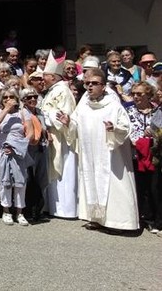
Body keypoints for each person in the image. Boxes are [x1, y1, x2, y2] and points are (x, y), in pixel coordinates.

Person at [57, 68, 139, 232]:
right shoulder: (83, 104)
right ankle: (97, 218)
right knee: (91, 182)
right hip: (90, 155)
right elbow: (75, 123)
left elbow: (125, 128)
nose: (89, 86)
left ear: (103, 86)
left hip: (111, 155)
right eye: (87, 83)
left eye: (94, 83)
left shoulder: (113, 105)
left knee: (115, 186)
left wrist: (113, 129)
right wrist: (68, 122)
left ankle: (119, 222)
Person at [41, 51, 78, 219]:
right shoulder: (53, 90)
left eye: (45, 76)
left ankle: (66, 209)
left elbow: (63, 116)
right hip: (53, 137)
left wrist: (45, 117)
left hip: (62, 139)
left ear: (54, 77)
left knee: (64, 172)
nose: (43, 79)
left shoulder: (62, 91)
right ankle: (54, 207)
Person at [0, 88, 33, 226]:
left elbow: (30, 133)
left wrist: (17, 147)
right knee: (5, 182)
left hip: (19, 152)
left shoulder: (23, 112)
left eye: (11, 97)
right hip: (2, 152)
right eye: (5, 97)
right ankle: (6, 210)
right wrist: (6, 109)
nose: (8, 99)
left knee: (21, 182)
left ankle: (20, 212)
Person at [125, 81, 160, 233]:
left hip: (154, 154)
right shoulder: (127, 110)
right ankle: (141, 217)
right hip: (135, 153)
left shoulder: (156, 110)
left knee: (155, 187)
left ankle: (155, 218)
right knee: (139, 186)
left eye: (140, 94)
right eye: (133, 94)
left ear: (148, 94)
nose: (136, 97)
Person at [20, 86, 49, 221]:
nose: (32, 99)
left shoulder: (40, 112)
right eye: (29, 98)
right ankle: (28, 211)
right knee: (29, 179)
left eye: (35, 97)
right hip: (28, 149)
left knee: (41, 179)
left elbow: (44, 128)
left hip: (41, 149)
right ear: (23, 100)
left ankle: (38, 209)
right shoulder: (22, 113)